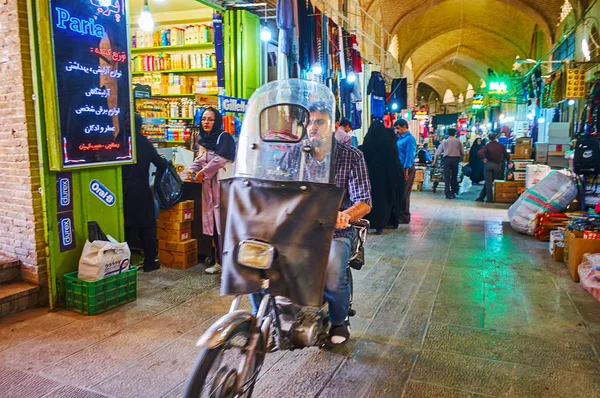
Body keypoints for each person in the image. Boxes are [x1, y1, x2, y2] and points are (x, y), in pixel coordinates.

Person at [252, 101, 371, 346]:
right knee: (255, 261)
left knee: (333, 272)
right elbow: (278, 183)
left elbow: (364, 201)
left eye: (319, 122)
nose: (312, 127)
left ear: (334, 125)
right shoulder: (295, 153)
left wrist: (345, 215)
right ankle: (265, 314)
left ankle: (339, 320)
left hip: (334, 230)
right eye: (308, 122)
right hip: (296, 227)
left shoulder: (352, 156)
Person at [187, 107, 236, 274]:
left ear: (217, 122)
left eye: (210, 119)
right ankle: (219, 262)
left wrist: (203, 173)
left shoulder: (225, 138)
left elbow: (220, 159)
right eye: (204, 119)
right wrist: (192, 169)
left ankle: (231, 265)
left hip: (222, 189)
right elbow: (200, 158)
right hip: (208, 188)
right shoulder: (203, 139)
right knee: (214, 226)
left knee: (225, 226)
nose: (206, 122)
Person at [122, 113, 168, 272]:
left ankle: (124, 265)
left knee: (127, 229)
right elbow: (160, 164)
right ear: (140, 125)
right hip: (141, 190)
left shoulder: (117, 142)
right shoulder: (143, 142)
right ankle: (150, 262)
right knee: (147, 227)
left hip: (122, 191)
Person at [361, 120, 400, 235]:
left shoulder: (367, 141)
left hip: (369, 177)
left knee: (370, 199)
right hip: (384, 177)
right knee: (382, 200)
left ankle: (368, 222)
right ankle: (379, 226)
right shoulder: (389, 143)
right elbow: (394, 161)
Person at [392, 119, 417, 224]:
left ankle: (404, 216)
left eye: (398, 128)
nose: (397, 131)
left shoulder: (409, 139)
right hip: (400, 168)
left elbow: (409, 155)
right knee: (400, 192)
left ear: (404, 127)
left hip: (407, 168)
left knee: (404, 193)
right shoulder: (400, 138)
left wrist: (406, 169)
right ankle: (399, 214)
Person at [476, 132, 510, 203]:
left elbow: (479, 152)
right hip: (497, 166)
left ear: (489, 138)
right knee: (491, 182)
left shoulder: (488, 145)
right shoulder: (501, 146)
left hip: (488, 164)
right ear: (496, 137)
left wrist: (484, 158)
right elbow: (507, 155)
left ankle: (489, 199)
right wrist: (509, 162)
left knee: (488, 182)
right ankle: (482, 197)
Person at [434, 128, 464, 199]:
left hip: (447, 160)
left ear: (447, 133)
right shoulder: (459, 142)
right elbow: (462, 152)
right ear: (455, 133)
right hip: (455, 159)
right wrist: (460, 158)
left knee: (447, 177)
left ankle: (447, 193)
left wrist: (435, 160)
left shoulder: (445, 142)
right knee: (454, 176)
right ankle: (454, 192)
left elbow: (438, 152)